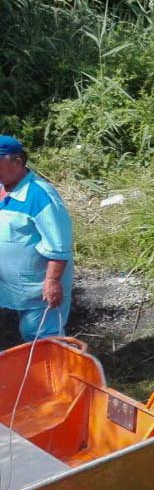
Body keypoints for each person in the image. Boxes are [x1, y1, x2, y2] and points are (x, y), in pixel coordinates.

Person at [0, 136, 74, 342]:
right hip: (14, 284)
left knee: (40, 334)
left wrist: (52, 281)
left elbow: (59, 245)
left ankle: (59, 362)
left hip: (39, 285)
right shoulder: (3, 187)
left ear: (17, 161)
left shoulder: (40, 195)